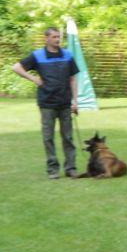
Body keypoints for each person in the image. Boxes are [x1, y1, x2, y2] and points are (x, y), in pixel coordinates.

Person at [11, 27, 80, 179]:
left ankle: (71, 169)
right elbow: (16, 67)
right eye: (54, 37)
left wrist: (75, 101)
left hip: (65, 103)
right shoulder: (38, 55)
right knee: (48, 138)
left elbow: (73, 79)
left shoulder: (67, 55)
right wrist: (34, 79)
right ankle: (53, 170)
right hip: (47, 103)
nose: (57, 40)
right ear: (46, 38)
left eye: (59, 37)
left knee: (68, 137)